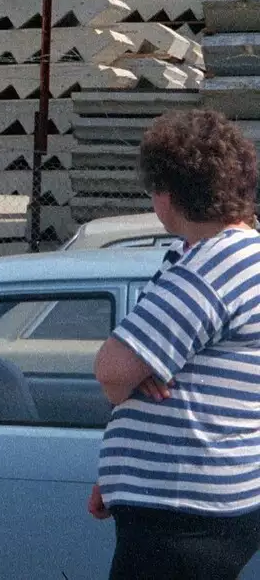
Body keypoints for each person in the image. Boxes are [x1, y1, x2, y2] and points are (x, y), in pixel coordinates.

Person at [90, 109, 260, 580]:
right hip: (191, 500)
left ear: (167, 193)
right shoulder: (206, 256)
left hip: (182, 510)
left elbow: (111, 371)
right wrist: (121, 470)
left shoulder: (213, 266)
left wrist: (134, 379)